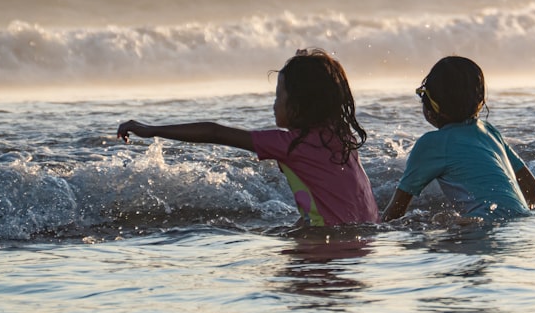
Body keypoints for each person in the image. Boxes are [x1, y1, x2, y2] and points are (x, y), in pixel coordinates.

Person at [116, 49, 379, 227]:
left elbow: (214, 132)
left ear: (299, 104)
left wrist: (152, 129)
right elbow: (323, 86)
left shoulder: (289, 145)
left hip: (331, 244)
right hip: (366, 234)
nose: (274, 105)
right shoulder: (341, 133)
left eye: (279, 97)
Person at [382, 55, 535, 223]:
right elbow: (533, 190)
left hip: (482, 225)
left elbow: (395, 212)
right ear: (480, 101)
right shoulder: (489, 131)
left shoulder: (432, 144)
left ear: (430, 104)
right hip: (521, 222)